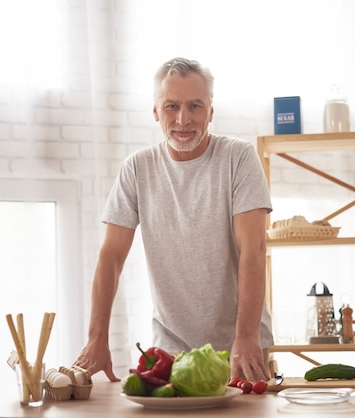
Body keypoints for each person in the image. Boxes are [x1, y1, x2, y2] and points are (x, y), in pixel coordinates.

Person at [73, 57, 273, 383]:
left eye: (195, 106)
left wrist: (247, 336)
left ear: (210, 111)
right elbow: (111, 256)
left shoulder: (239, 158)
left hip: (240, 345)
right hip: (170, 351)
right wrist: (97, 338)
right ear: (155, 111)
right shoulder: (137, 168)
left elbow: (254, 248)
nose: (183, 119)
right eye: (171, 106)